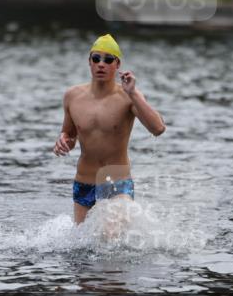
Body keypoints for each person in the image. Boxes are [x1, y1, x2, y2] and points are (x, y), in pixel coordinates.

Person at [53, 34, 166, 224]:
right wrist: (63, 141)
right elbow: (70, 135)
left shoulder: (128, 96)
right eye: (96, 59)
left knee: (110, 233)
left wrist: (134, 94)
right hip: (84, 183)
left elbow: (158, 128)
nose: (101, 64)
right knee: (84, 247)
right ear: (89, 62)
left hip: (118, 184)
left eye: (108, 59)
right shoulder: (72, 96)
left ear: (117, 64)